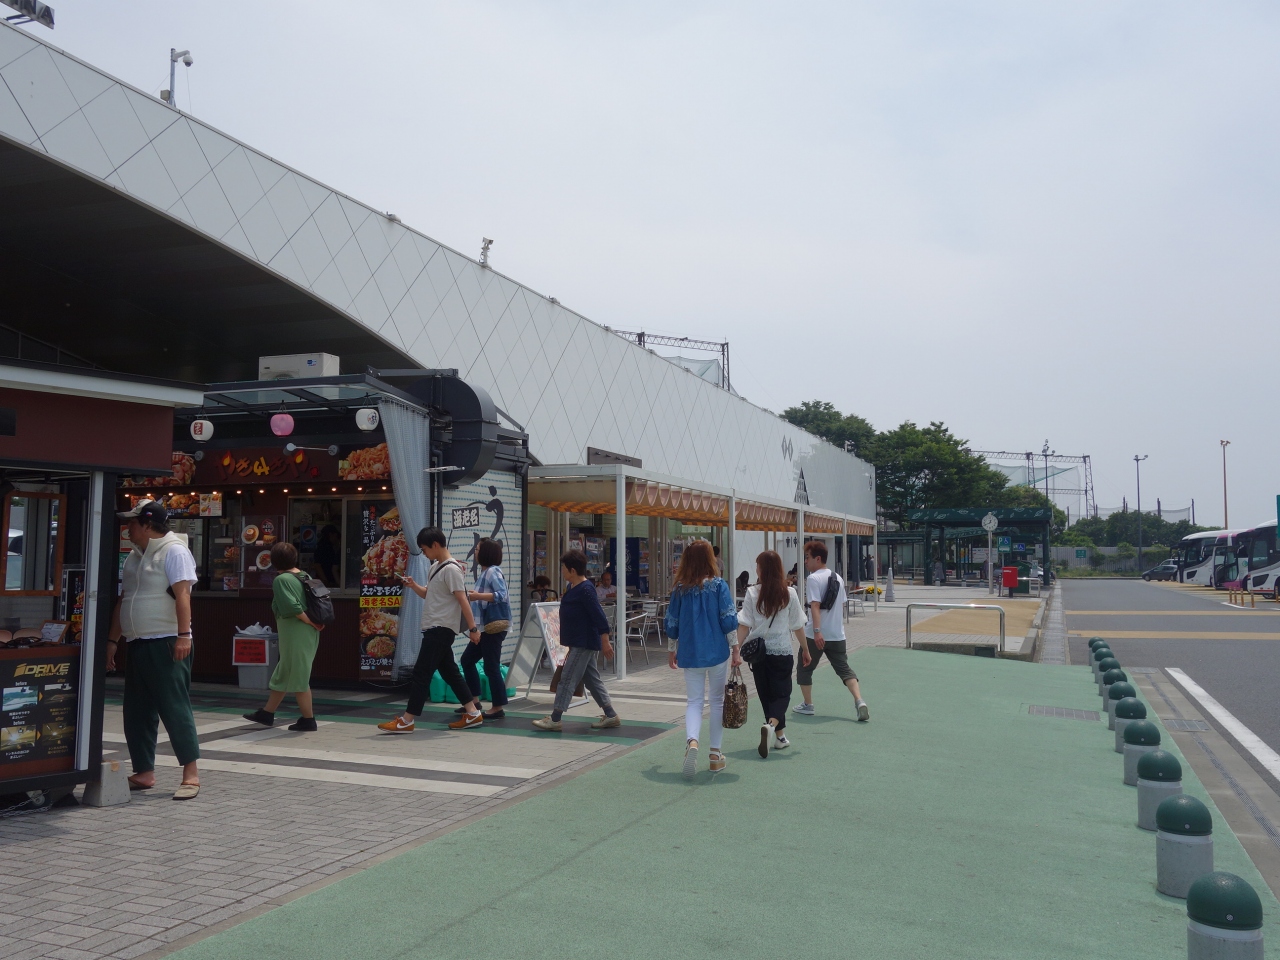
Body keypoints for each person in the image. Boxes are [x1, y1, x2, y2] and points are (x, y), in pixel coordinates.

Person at [105, 500, 201, 800]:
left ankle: (191, 774)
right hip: (137, 641)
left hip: (167, 640)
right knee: (136, 710)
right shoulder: (133, 557)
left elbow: (183, 595)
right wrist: (112, 641)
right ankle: (144, 771)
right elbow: (124, 599)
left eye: (132, 523)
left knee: (174, 707)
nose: (127, 528)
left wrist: (184, 635)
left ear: (147, 524)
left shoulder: (175, 551)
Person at [379, 527, 484, 733]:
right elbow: (429, 594)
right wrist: (414, 586)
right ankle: (473, 713)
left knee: (421, 672)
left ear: (435, 545)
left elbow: (463, 599)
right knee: (450, 672)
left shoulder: (451, 569)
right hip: (435, 628)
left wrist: (473, 629)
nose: (424, 553)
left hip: (440, 628)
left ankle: (407, 720)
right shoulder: (436, 566)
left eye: (425, 549)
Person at [664, 540, 739, 779]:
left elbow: (672, 622)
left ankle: (692, 742)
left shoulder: (679, 589)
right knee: (716, 702)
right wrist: (736, 649)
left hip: (690, 652)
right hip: (717, 651)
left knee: (694, 701)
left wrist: (671, 649)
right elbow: (728, 620)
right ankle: (715, 755)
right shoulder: (719, 586)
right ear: (710, 559)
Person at [532, 550, 620, 732]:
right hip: (577, 641)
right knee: (592, 680)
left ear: (572, 570)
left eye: (564, 568)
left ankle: (555, 718)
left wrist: (605, 640)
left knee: (567, 678)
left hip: (583, 642)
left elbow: (598, 615)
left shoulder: (586, 589)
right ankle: (611, 715)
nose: (562, 571)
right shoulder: (572, 587)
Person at [243, 542, 323, 731]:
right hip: (306, 633)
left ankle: (309, 720)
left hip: (296, 633)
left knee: (299, 675)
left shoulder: (281, 580)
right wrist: (317, 622)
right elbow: (321, 599)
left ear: (274, 561)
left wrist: (310, 622)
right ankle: (267, 713)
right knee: (285, 672)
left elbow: (293, 607)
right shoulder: (306, 575)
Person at [737, 550, 808, 758]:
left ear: (762, 569)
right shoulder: (789, 593)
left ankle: (780, 737)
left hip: (758, 654)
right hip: (781, 651)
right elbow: (797, 625)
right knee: (782, 694)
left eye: (757, 566)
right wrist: (805, 648)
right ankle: (770, 726)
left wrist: (735, 650)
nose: (756, 569)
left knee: (767, 695)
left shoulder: (752, 593)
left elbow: (744, 625)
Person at [794, 541, 869, 721]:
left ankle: (808, 704)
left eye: (807, 557)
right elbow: (841, 606)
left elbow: (815, 605)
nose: (805, 561)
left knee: (804, 668)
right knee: (844, 669)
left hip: (814, 635)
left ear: (818, 559)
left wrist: (817, 631)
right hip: (837, 635)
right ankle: (859, 701)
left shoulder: (813, 579)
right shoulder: (838, 578)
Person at [458, 538, 509, 720]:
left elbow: (502, 594)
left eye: (478, 549)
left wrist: (478, 595)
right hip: (485, 628)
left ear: (486, 552)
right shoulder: (486, 572)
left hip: (493, 628)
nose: (475, 552)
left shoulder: (492, 571)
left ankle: (498, 707)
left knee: (491, 666)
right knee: (467, 660)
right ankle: (474, 701)